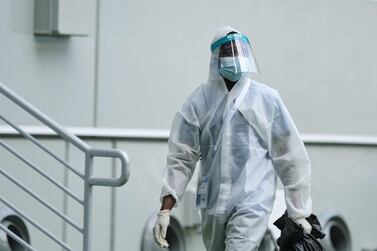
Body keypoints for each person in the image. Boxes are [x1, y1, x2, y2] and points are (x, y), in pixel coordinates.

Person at [153, 25, 313, 251]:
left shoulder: (266, 99)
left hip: (253, 201)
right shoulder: (200, 101)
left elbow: (291, 156)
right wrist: (166, 208)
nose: (235, 56)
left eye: (239, 50)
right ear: (216, 57)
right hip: (212, 205)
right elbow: (181, 156)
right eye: (228, 50)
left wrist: (299, 211)